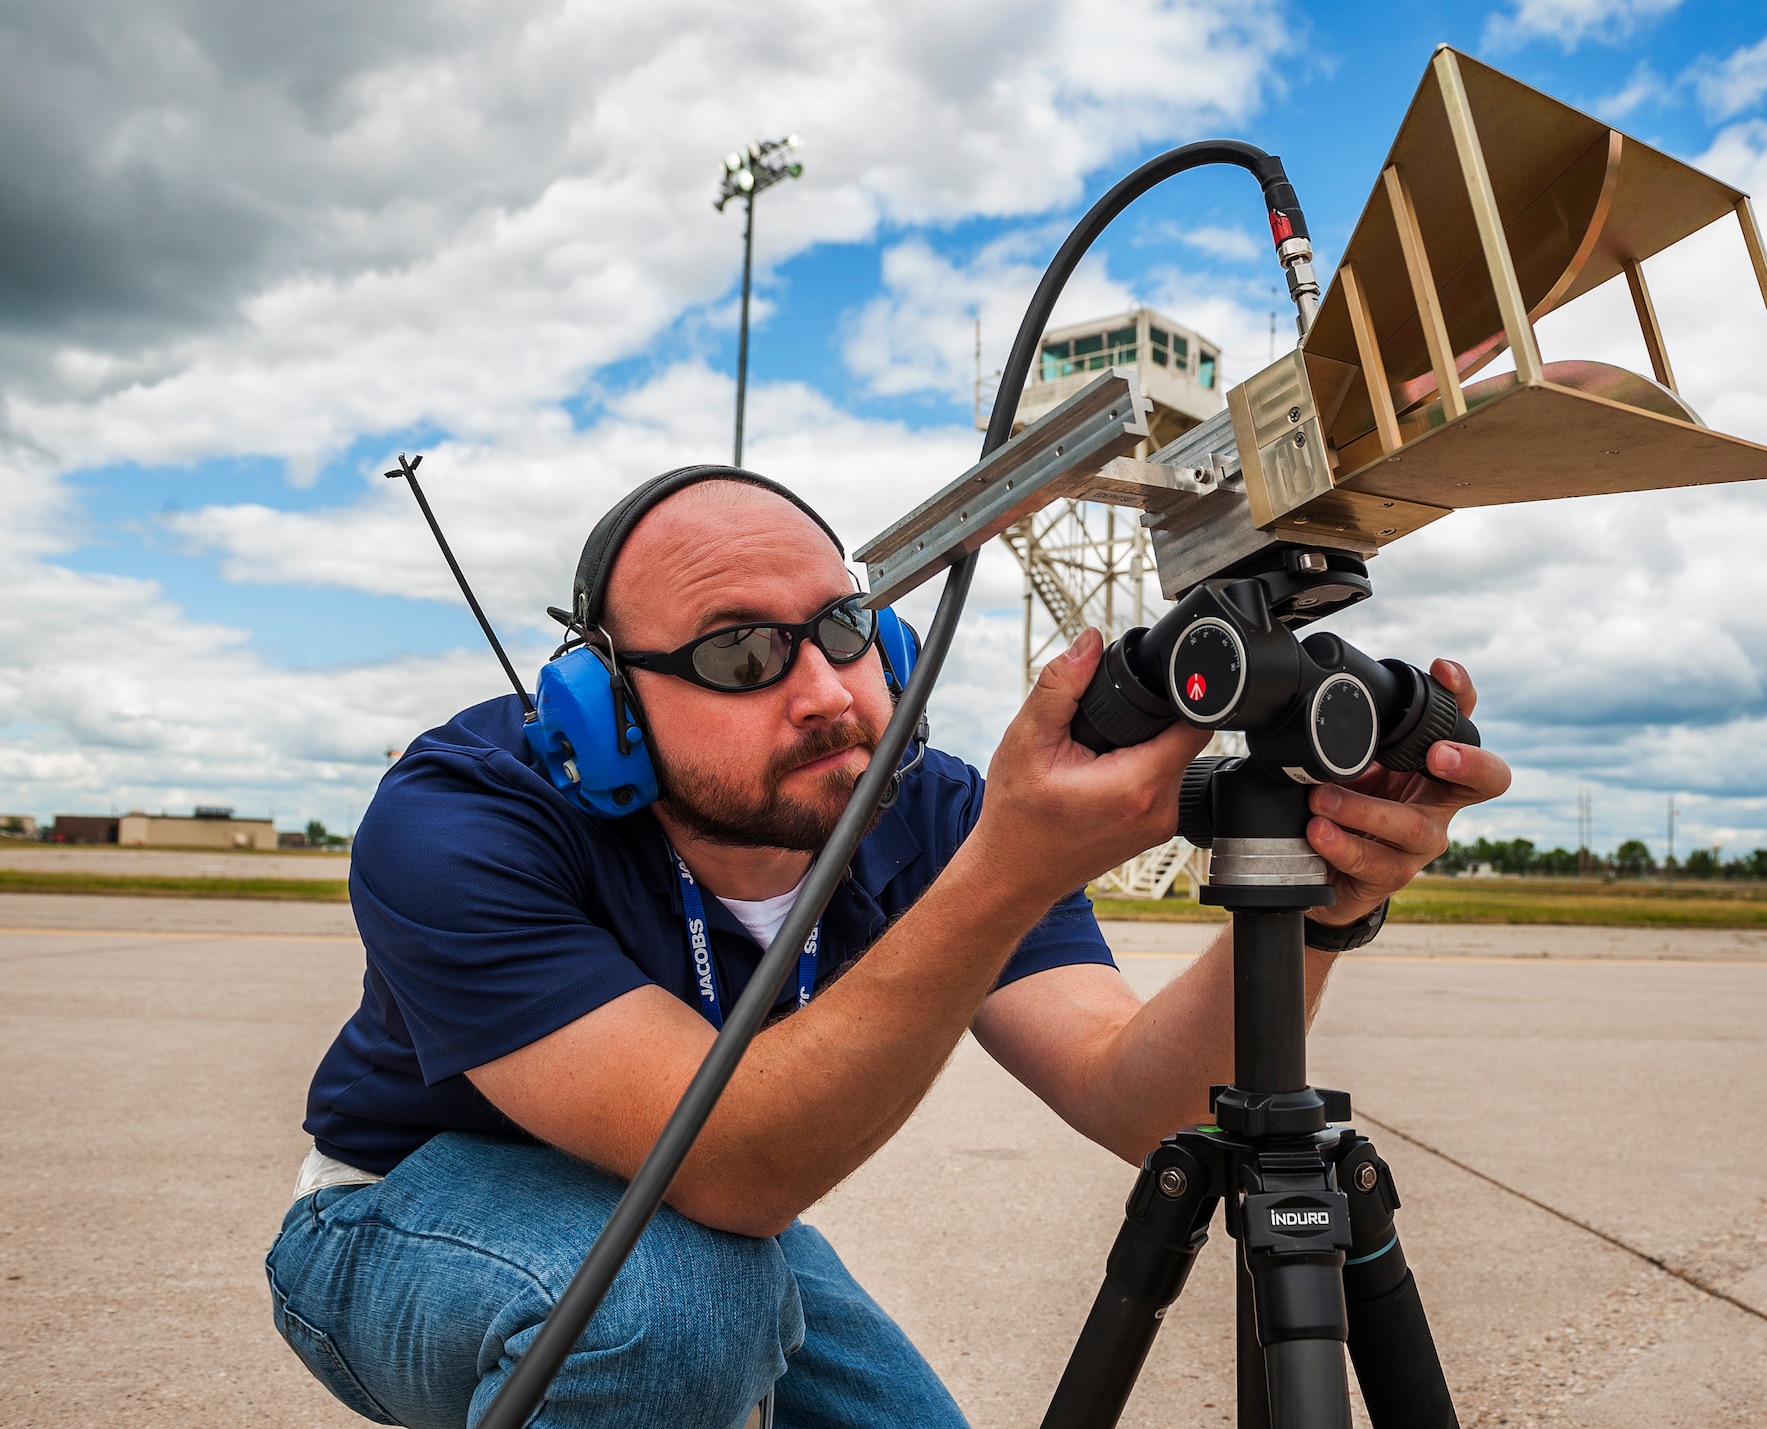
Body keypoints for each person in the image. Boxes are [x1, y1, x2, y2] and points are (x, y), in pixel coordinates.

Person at [265, 466, 1510, 1429]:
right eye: (740, 652)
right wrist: (1008, 869)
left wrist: (1325, 900)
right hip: (404, 1209)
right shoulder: (461, 817)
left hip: (702, 1228)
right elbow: (739, 1170)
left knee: (713, 1295)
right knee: (668, 1315)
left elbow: (1141, 1096)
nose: (821, 688)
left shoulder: (925, 808)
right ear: (607, 706)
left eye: (844, 630)